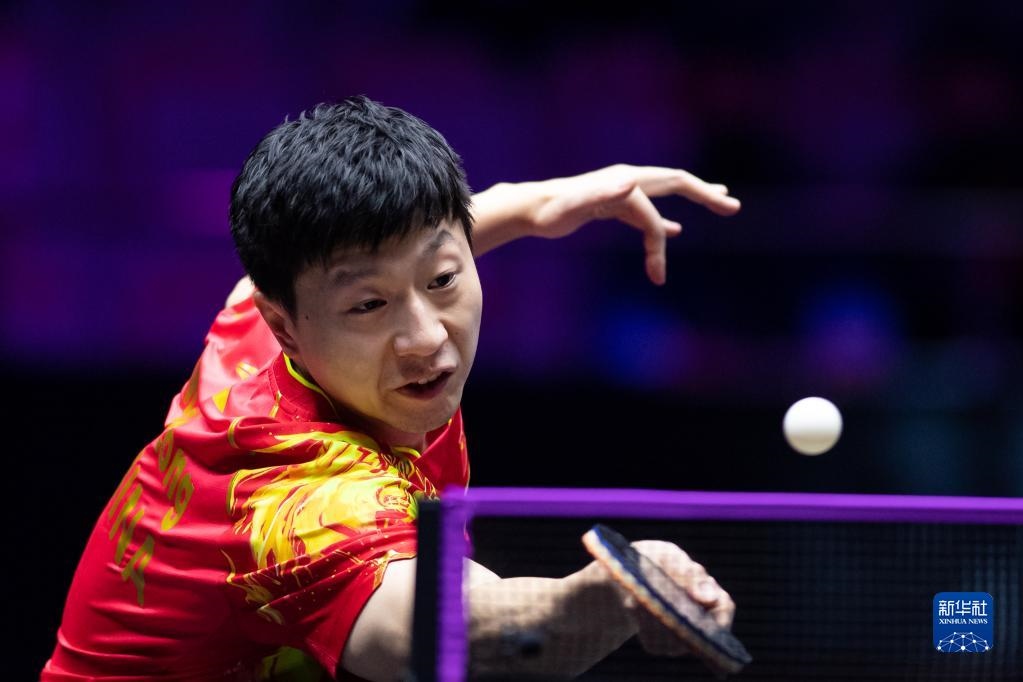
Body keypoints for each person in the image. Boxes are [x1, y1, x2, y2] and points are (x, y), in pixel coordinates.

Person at [43, 95, 741, 681]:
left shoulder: (260, 329)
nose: (427, 339)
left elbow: (425, 240)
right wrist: (614, 591)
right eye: (370, 307)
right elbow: (455, 633)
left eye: (443, 281)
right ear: (287, 327)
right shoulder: (291, 499)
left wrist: (540, 203)